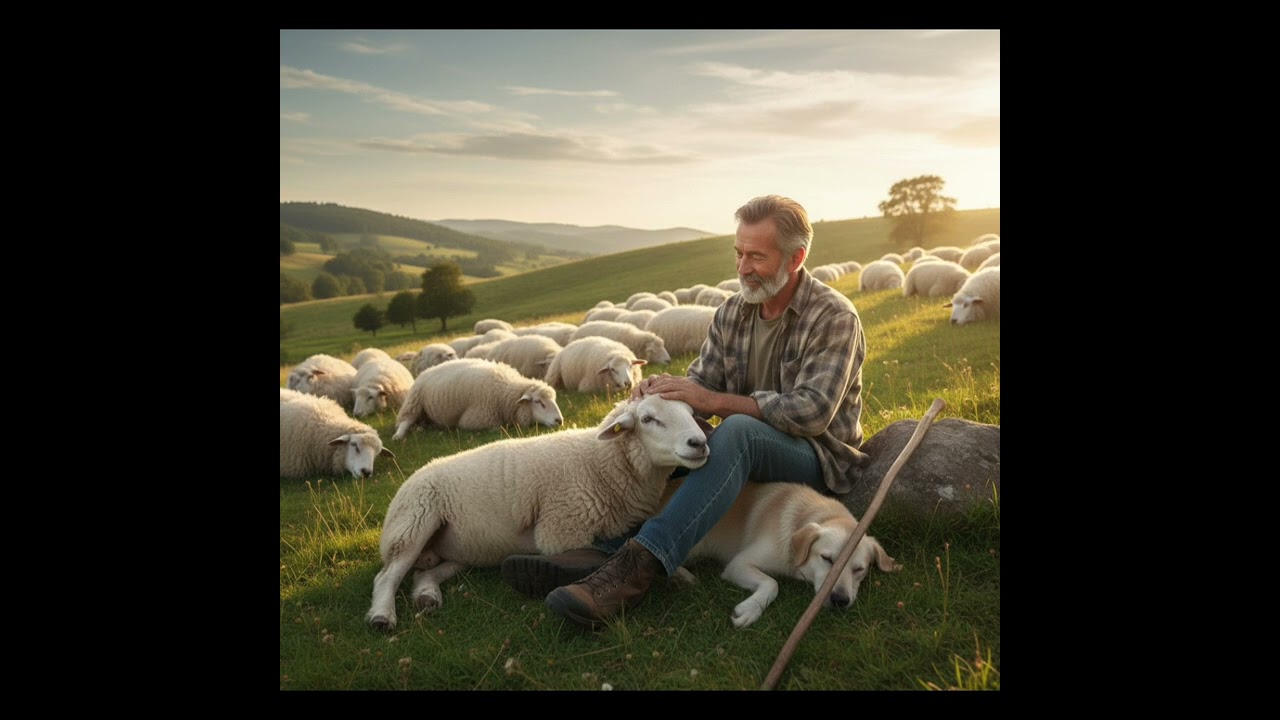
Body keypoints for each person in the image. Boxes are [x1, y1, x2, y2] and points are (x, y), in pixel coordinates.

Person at [500, 194, 870, 629]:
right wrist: (663, 398)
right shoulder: (733, 312)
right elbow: (701, 386)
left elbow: (812, 413)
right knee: (671, 441)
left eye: (756, 256)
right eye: (738, 253)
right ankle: (603, 550)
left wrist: (714, 403)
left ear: (796, 257)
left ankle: (633, 573)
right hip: (745, 452)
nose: (742, 267)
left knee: (737, 431)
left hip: (814, 458)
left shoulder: (834, 316)